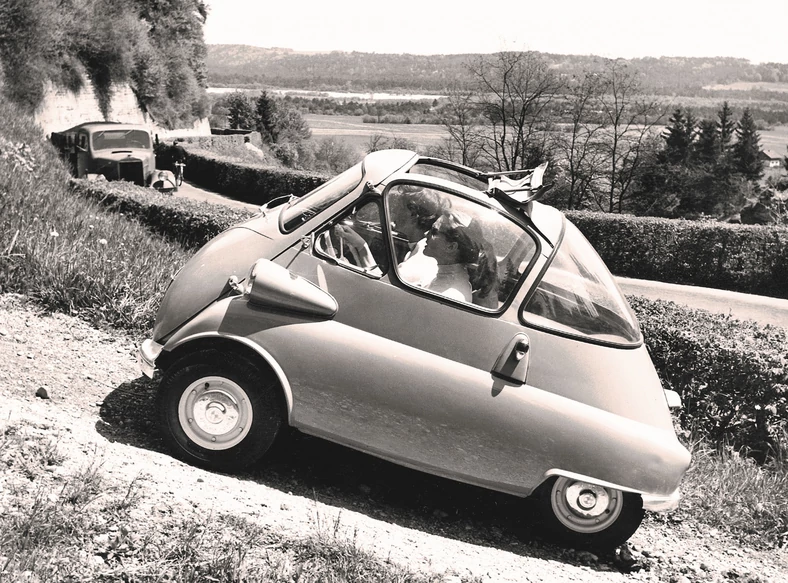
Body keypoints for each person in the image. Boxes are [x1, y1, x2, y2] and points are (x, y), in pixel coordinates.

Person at [422, 210, 498, 305]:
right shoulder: (444, 278)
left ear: (451, 247)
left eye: (434, 232)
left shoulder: (451, 296)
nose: (426, 234)